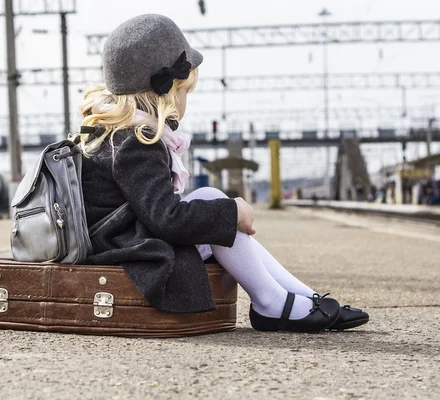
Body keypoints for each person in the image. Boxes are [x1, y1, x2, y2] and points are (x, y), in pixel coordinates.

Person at [75, 14, 368, 333]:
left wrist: (224, 215)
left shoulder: (118, 136)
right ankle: (273, 303)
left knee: (215, 211)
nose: (187, 100)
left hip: (129, 240)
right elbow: (166, 219)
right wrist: (231, 212)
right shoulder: (135, 143)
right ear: (166, 91)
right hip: (128, 250)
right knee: (214, 205)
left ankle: (297, 296)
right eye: (186, 91)